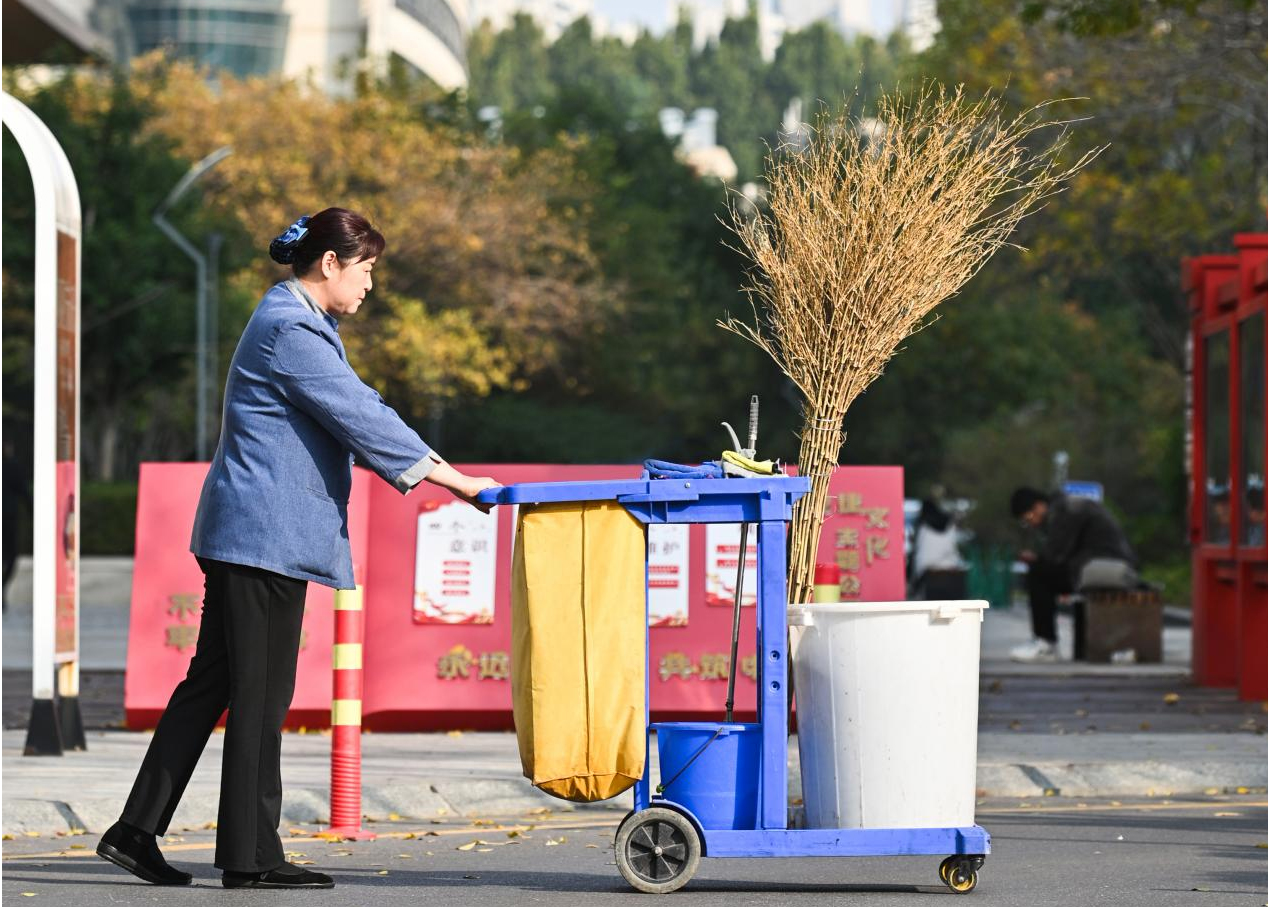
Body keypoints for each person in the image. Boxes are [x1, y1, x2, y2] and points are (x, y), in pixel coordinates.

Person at [96, 208, 500, 890]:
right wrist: (456, 481)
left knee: (214, 684)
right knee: (259, 694)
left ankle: (135, 831)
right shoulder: (291, 329)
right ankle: (251, 858)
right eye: (366, 270)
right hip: (263, 540)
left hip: (247, 533)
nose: (371, 285)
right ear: (331, 264)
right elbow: (361, 413)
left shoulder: (295, 320)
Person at [1008, 486, 1138, 663]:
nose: (1031, 522)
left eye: (1028, 517)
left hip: (1106, 565)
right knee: (1043, 570)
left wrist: (1036, 560)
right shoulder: (1067, 506)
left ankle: (1046, 643)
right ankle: (1050, 643)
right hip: (1104, 563)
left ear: (1038, 506)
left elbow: (1056, 554)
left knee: (1038, 573)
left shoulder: (1066, 510)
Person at [908, 498, 967, 600]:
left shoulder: (923, 525)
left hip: (927, 569)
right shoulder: (949, 522)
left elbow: (919, 552)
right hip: (950, 566)